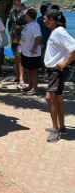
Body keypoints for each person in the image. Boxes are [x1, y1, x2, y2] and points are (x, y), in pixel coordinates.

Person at [43, 9, 75, 142]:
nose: (43, 20)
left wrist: (65, 62)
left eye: (45, 18)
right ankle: (61, 127)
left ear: (52, 20)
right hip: (55, 71)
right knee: (58, 98)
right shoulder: (56, 31)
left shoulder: (59, 32)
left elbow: (73, 47)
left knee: (50, 98)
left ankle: (56, 131)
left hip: (56, 71)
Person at [20, 9, 42, 95]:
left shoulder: (35, 25)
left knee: (33, 71)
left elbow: (38, 36)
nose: (24, 16)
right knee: (28, 69)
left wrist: (34, 47)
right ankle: (30, 86)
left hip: (32, 53)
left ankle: (34, 89)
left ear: (29, 16)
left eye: (25, 15)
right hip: (26, 52)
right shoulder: (28, 25)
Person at [8, 0, 27, 85]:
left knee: (20, 56)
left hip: (22, 36)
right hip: (14, 36)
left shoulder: (25, 11)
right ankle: (17, 75)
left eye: (15, 0)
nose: (14, 2)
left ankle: (21, 77)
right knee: (16, 56)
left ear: (19, 0)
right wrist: (9, 31)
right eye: (13, 0)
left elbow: (29, 24)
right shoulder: (12, 12)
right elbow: (9, 23)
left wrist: (21, 27)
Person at [37, 5, 51, 71]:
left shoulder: (39, 19)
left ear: (40, 11)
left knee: (42, 54)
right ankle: (48, 67)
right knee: (49, 53)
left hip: (41, 38)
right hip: (49, 38)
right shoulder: (49, 18)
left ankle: (43, 67)